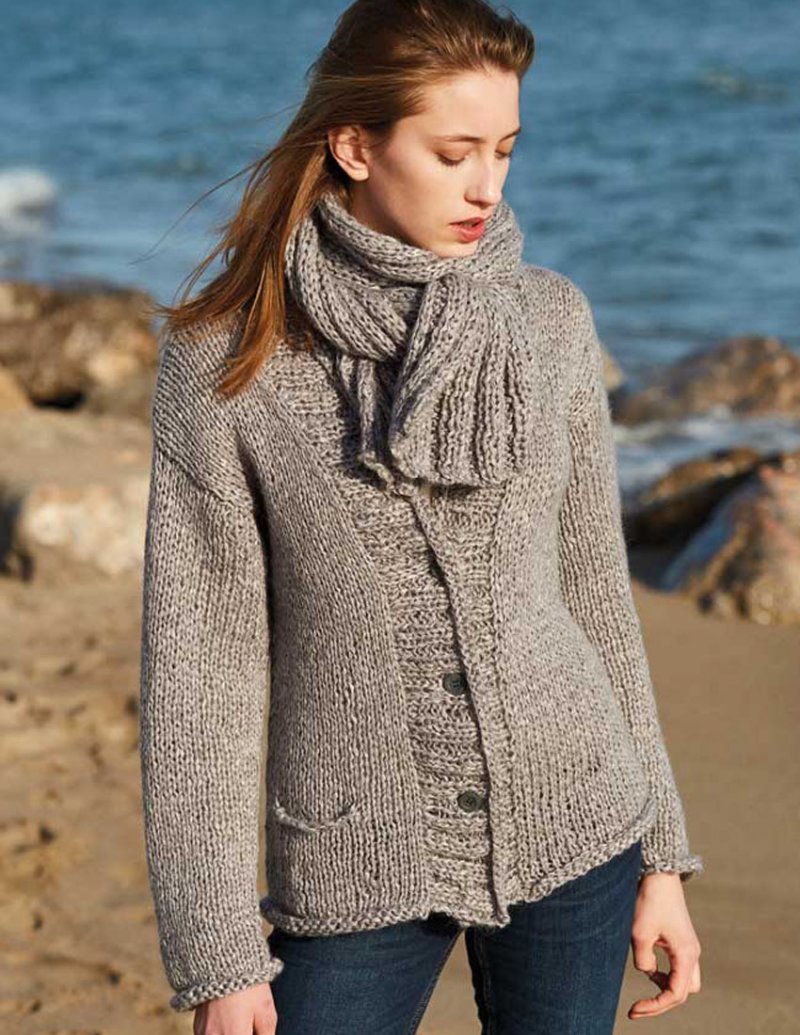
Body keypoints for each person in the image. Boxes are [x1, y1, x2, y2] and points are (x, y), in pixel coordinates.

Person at [138, 1, 704, 1032]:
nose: (487, 186)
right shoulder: (228, 360)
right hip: (352, 851)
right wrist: (217, 953)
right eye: (453, 154)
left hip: (580, 819)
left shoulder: (548, 322)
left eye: (505, 150)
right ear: (354, 146)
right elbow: (200, 671)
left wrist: (661, 856)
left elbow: (592, 595)